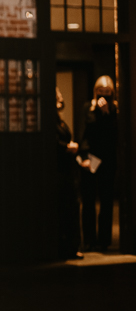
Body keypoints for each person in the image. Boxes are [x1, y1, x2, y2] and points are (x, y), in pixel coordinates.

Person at [78, 75, 118, 252]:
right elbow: (84, 133)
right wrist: (84, 157)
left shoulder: (115, 110)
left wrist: (107, 113)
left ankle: (104, 240)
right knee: (88, 200)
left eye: (107, 94)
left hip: (107, 159)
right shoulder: (88, 107)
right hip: (91, 158)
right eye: (100, 93)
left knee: (106, 200)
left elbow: (114, 135)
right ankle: (89, 239)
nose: (103, 97)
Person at [55, 88, 82, 260]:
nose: (61, 98)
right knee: (65, 209)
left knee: (72, 208)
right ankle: (65, 247)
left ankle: (72, 246)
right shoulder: (51, 121)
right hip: (60, 171)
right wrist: (67, 148)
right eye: (57, 96)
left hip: (68, 169)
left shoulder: (60, 120)